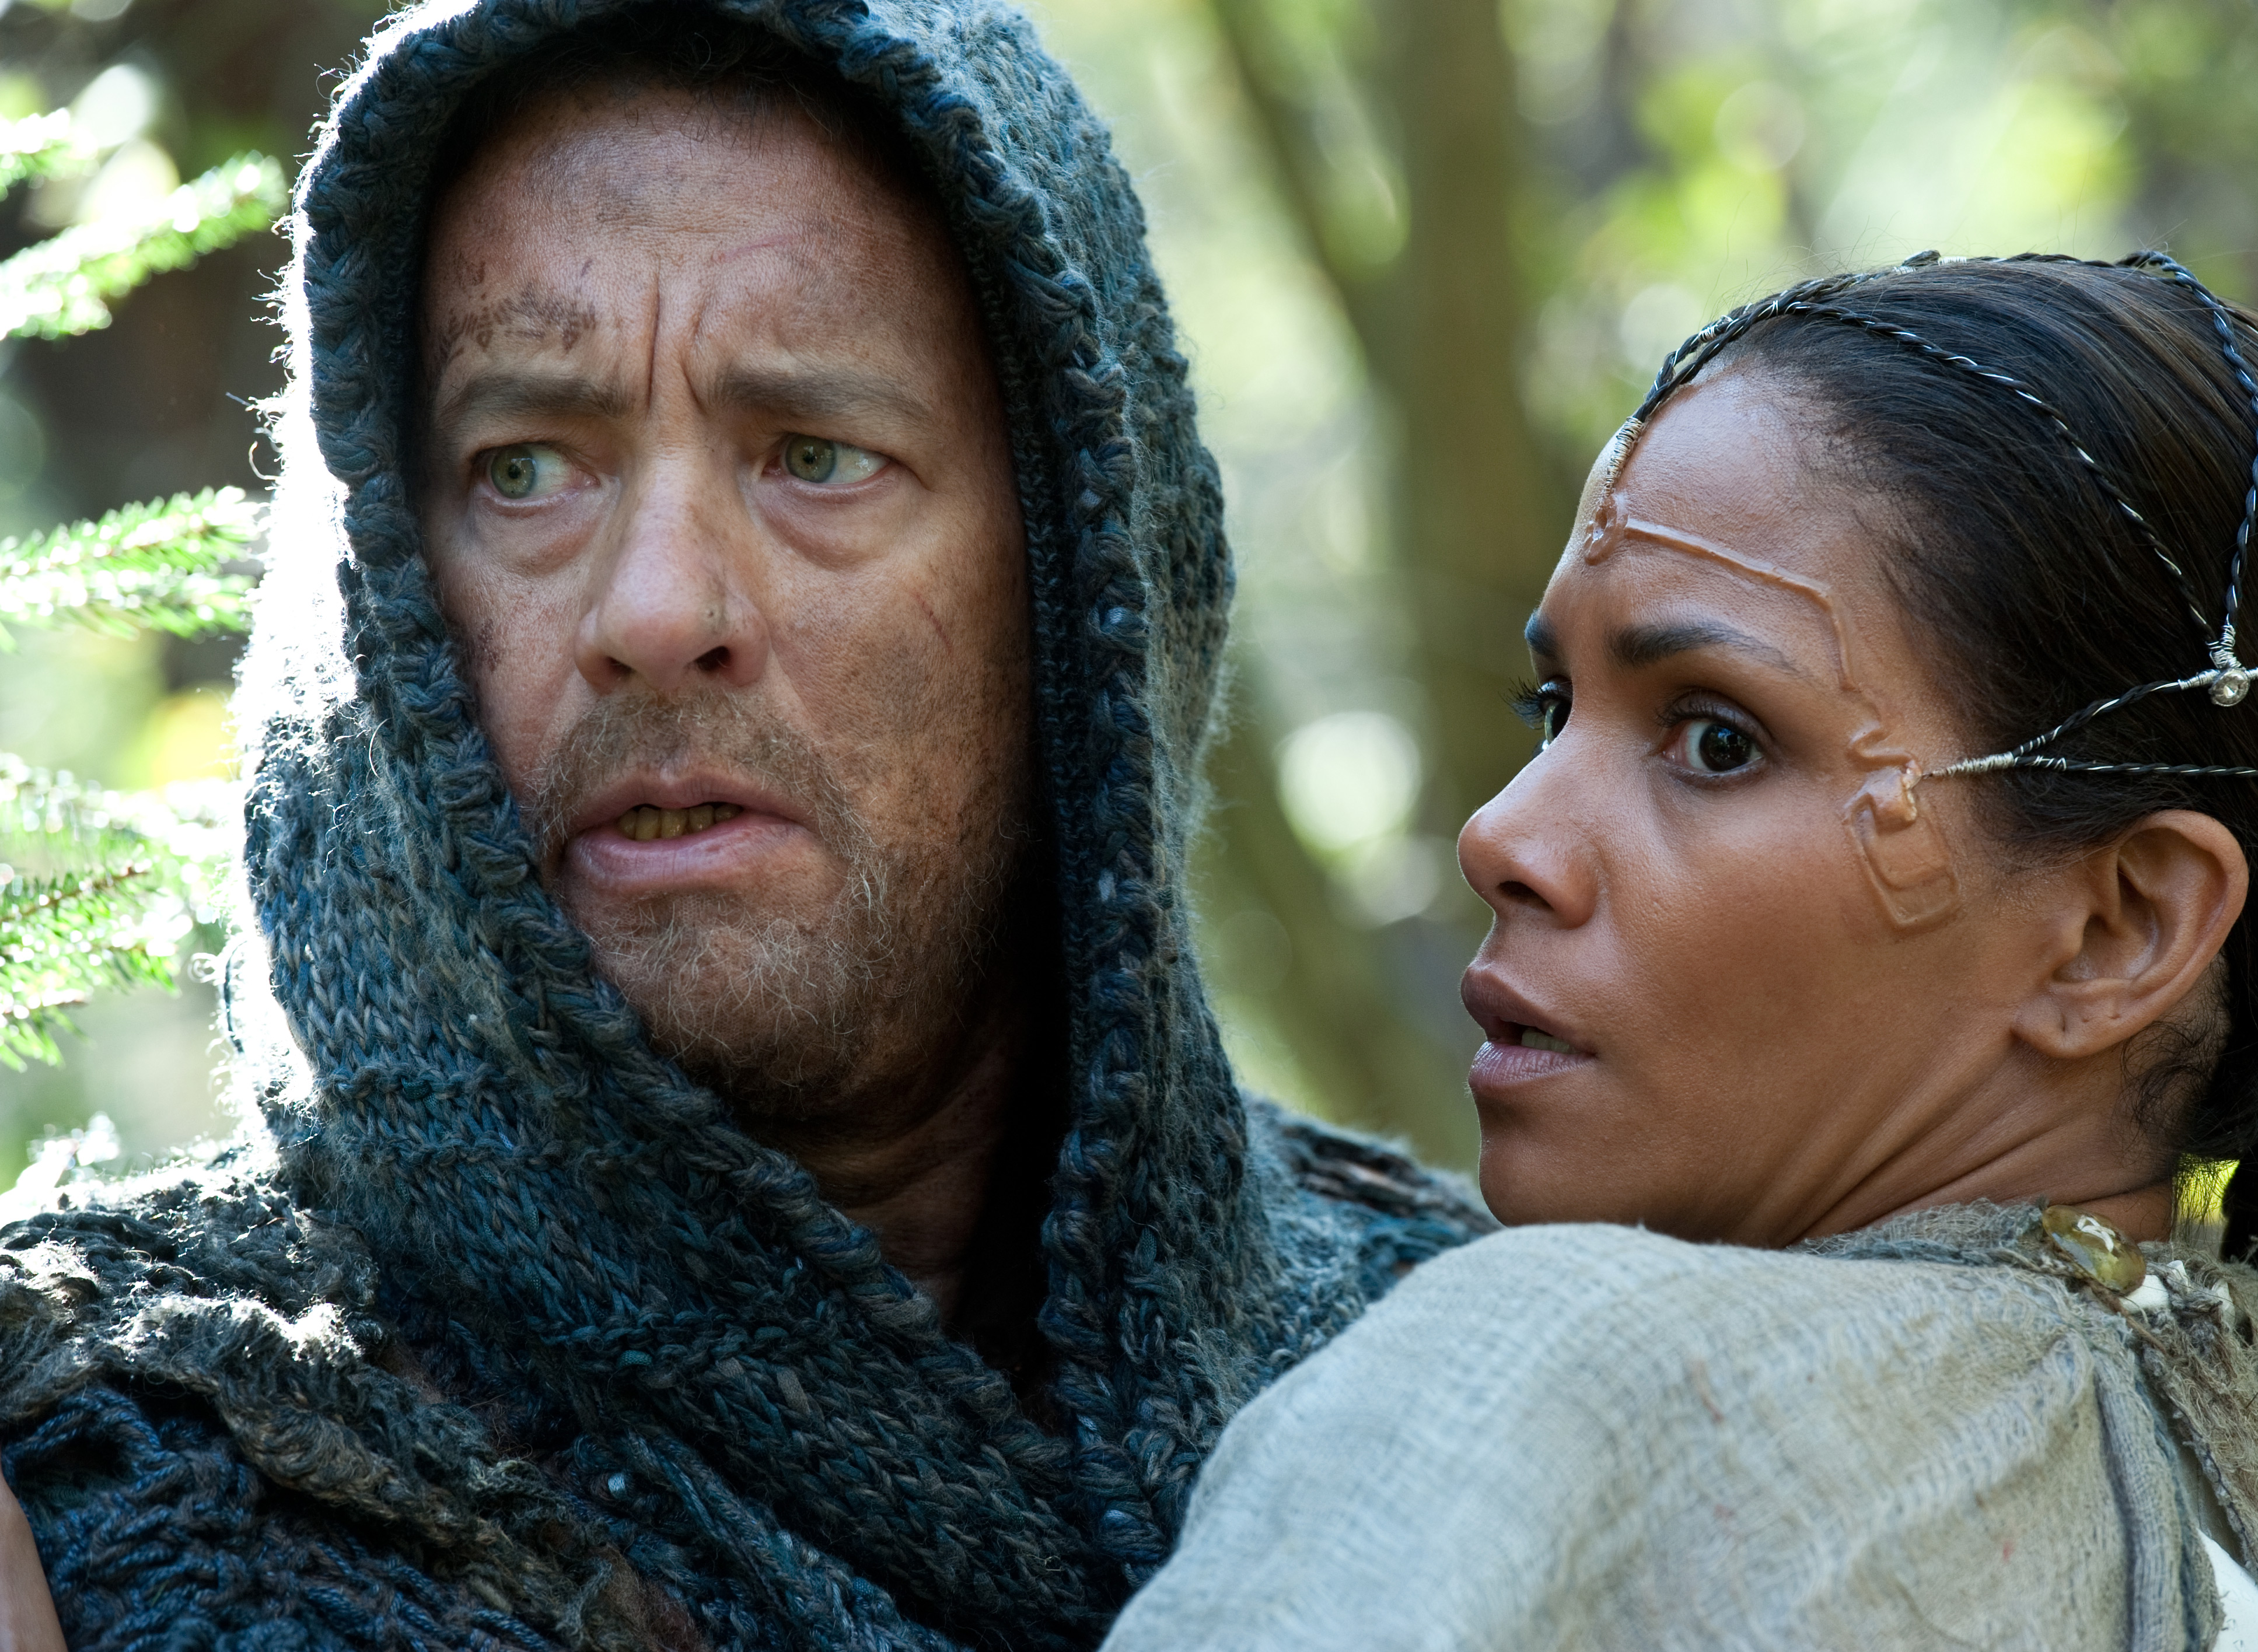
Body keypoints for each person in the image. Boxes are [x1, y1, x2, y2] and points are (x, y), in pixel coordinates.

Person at [0, 2, 1485, 1646]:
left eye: (818, 456)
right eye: (524, 467)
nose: (656, 609)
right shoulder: (90, 1475)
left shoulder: (1491, 1393)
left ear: (1080, 589)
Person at [1100, 254, 2258, 1650]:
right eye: (1552, 706)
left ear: (2116, 932)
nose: (1499, 836)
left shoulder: (1549, 1399)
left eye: (1717, 740)